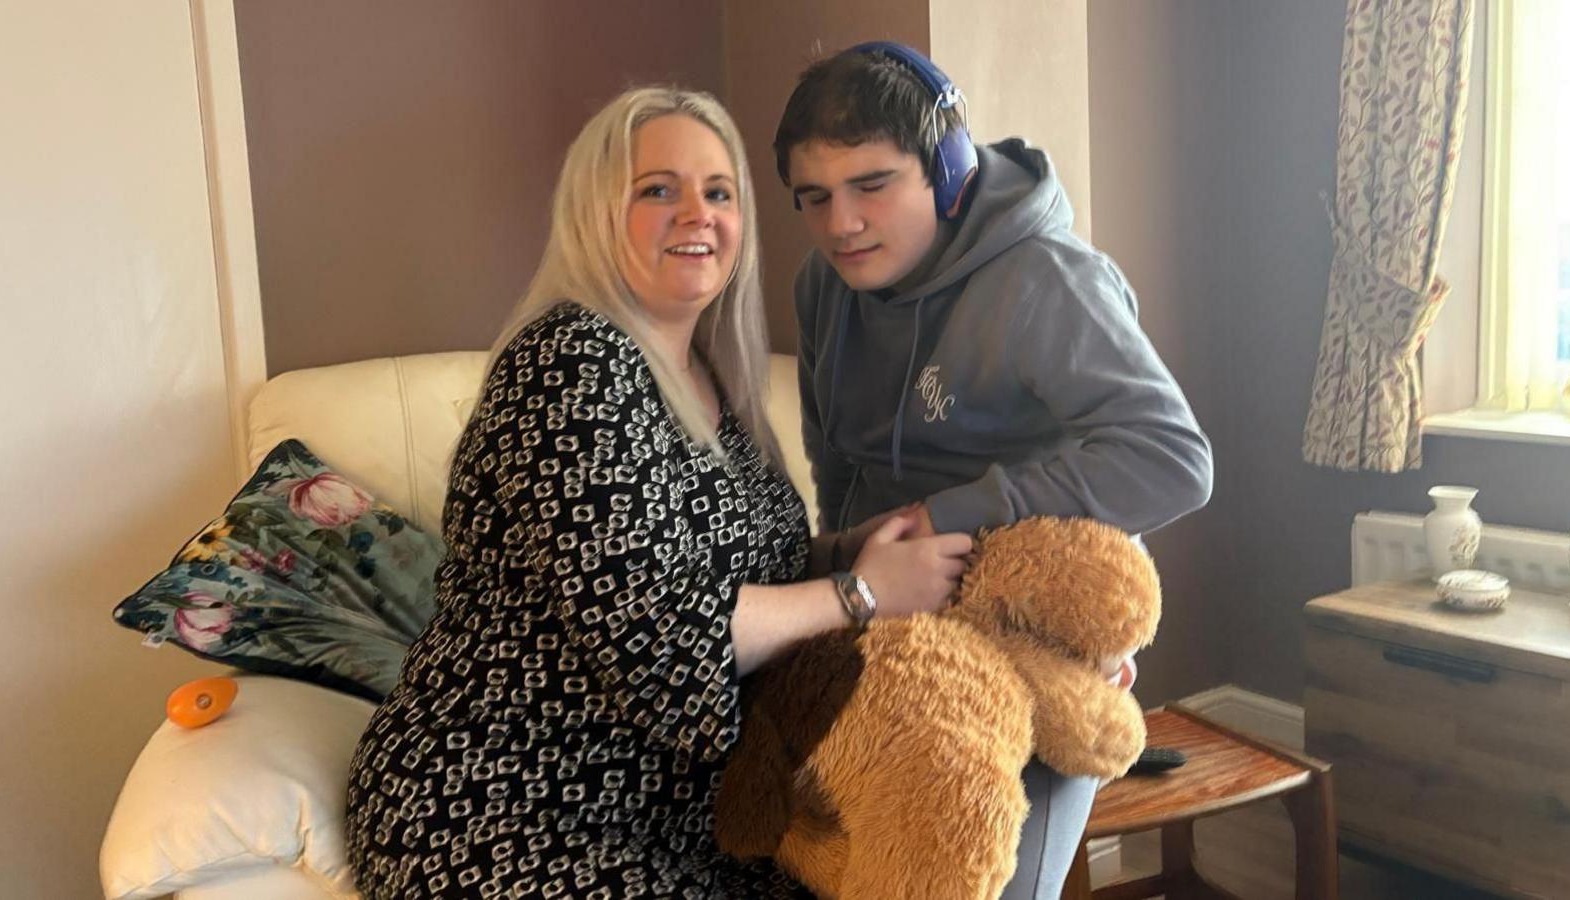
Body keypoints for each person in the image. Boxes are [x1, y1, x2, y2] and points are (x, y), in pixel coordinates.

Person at [344, 86, 972, 899]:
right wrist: (858, 594)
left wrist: (849, 550)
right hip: (506, 797)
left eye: (719, 192)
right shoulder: (570, 362)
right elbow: (663, 638)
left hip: (679, 810)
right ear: (595, 214)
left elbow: (744, 572)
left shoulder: (712, 377)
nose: (697, 214)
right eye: (657, 190)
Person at [774, 44, 1215, 897]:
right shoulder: (819, 286)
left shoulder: (1046, 281)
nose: (842, 224)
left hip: (1023, 636)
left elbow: (1174, 459)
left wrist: (955, 514)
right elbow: (834, 460)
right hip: (884, 624)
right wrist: (842, 576)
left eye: (872, 185)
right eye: (815, 197)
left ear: (946, 170)